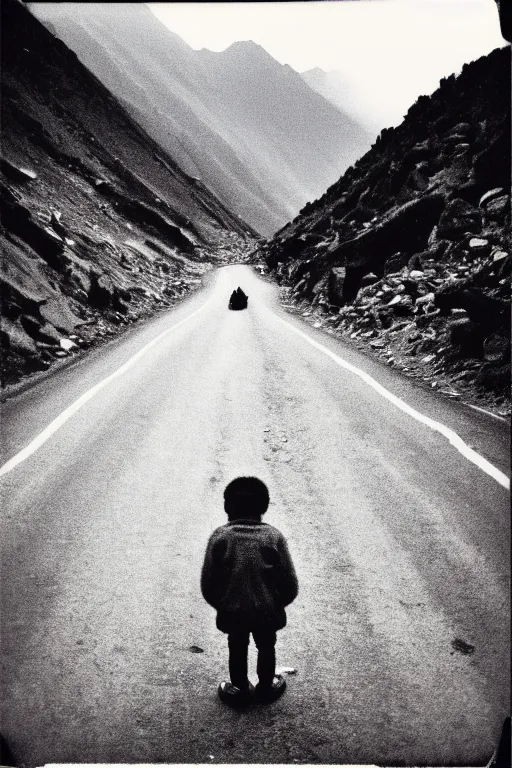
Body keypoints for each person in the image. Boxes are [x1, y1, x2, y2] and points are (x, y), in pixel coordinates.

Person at [201, 477, 298, 707]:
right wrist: (276, 603)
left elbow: (208, 583)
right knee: (266, 645)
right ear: (264, 507)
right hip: (267, 609)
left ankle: (239, 689)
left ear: (226, 507)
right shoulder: (273, 537)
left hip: (233, 610)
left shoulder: (220, 538)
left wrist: (222, 604)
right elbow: (289, 582)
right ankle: (266, 686)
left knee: (237, 645)